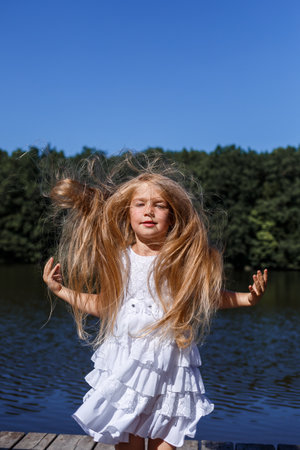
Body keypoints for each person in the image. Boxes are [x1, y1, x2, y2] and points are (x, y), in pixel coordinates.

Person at [43, 163, 267, 450]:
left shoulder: (180, 260)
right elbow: (104, 306)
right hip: (126, 370)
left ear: (172, 216)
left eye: (159, 205)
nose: (149, 211)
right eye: (140, 204)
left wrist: (249, 298)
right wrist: (61, 290)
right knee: (129, 445)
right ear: (128, 212)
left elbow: (206, 298)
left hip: (170, 369)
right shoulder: (119, 260)